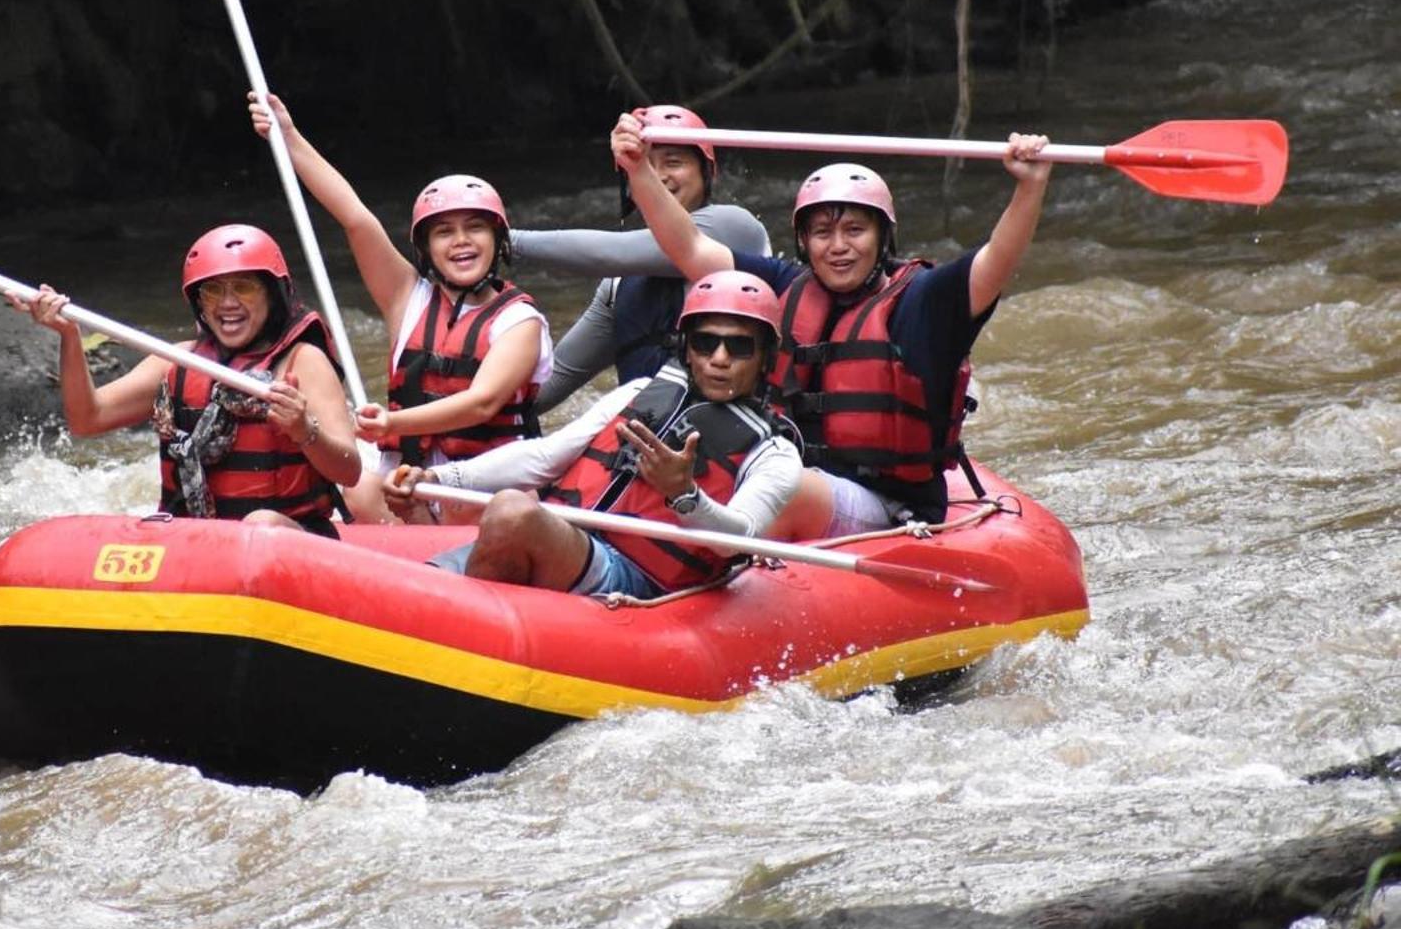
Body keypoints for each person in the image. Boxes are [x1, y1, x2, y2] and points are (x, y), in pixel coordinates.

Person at [611, 110, 1054, 535]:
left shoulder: (922, 301)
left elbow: (996, 261)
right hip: (785, 472)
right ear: (804, 241)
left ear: (883, 237)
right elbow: (688, 248)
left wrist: (1029, 189)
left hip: (887, 503)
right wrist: (637, 171)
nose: (838, 246)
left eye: (855, 231)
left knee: (789, 488)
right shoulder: (786, 284)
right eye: (822, 233)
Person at [382, 273, 810, 598]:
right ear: (687, 349)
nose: (719, 359)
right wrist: (440, 480)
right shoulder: (641, 393)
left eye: (738, 347)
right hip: (571, 540)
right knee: (419, 586)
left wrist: (684, 495)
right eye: (705, 343)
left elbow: (740, 537)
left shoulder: (774, 451)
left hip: (638, 580)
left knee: (513, 511)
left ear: (764, 357)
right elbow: (545, 456)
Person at [247, 92, 552, 524]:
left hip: (482, 486)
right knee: (352, 488)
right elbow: (355, 218)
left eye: (475, 228)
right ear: (426, 248)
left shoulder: (520, 321)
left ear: (498, 241)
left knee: (464, 507)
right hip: (403, 483)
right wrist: (290, 137)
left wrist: (392, 424)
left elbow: (482, 403)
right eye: (444, 232)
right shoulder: (407, 297)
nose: (461, 241)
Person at [7, 223, 361, 535]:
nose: (228, 303)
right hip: (199, 546)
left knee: (260, 526)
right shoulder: (176, 361)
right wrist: (69, 337)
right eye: (213, 291)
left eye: (244, 287)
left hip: (289, 540)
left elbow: (350, 472)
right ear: (199, 304)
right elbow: (88, 419)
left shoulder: (304, 362)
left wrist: (304, 430)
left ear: (272, 293)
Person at [505, 105, 774, 412]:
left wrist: (505, 240)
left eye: (673, 162)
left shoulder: (735, 228)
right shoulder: (619, 283)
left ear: (708, 172)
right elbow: (549, 385)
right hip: (649, 439)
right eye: (643, 165)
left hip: (732, 432)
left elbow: (611, 252)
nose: (657, 176)